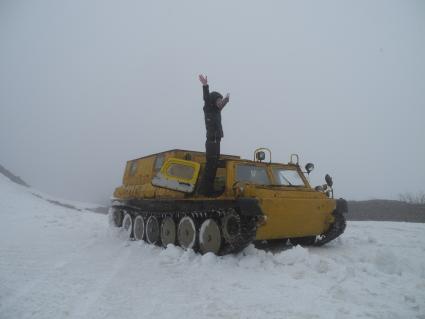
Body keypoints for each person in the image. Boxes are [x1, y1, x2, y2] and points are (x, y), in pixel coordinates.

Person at [198, 74, 230, 196]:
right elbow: (206, 98)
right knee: (211, 164)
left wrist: (226, 99)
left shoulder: (216, 110)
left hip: (217, 140)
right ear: (213, 101)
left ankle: (209, 188)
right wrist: (205, 85)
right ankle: (204, 190)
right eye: (217, 100)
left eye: (220, 101)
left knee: (215, 163)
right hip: (211, 141)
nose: (219, 103)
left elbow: (222, 105)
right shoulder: (208, 108)